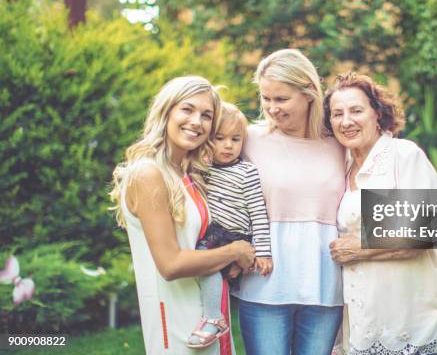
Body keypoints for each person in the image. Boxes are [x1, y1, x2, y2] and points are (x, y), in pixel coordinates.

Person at [324, 72, 437, 354]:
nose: (346, 121)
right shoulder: (341, 166)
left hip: (411, 313)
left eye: (356, 110)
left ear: (377, 113)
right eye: (336, 114)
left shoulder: (403, 156)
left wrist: (361, 247)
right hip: (366, 310)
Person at [110, 76, 255, 355]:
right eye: (187, 109)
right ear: (167, 111)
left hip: (210, 315)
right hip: (177, 324)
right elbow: (171, 264)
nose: (196, 122)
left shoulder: (188, 173)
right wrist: (235, 250)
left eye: (206, 115)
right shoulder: (148, 173)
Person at [233, 49, 345, 354]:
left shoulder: (340, 144)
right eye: (266, 98)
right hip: (264, 286)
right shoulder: (247, 139)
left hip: (325, 287)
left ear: (309, 94)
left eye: (281, 99)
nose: (272, 108)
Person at [187, 102, 273, 348]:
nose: (228, 145)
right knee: (207, 266)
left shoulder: (247, 172)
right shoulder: (202, 170)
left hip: (236, 235)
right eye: (220, 138)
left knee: (207, 261)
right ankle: (213, 310)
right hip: (213, 232)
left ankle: (214, 318)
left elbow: (258, 213)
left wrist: (263, 251)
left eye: (235, 139)